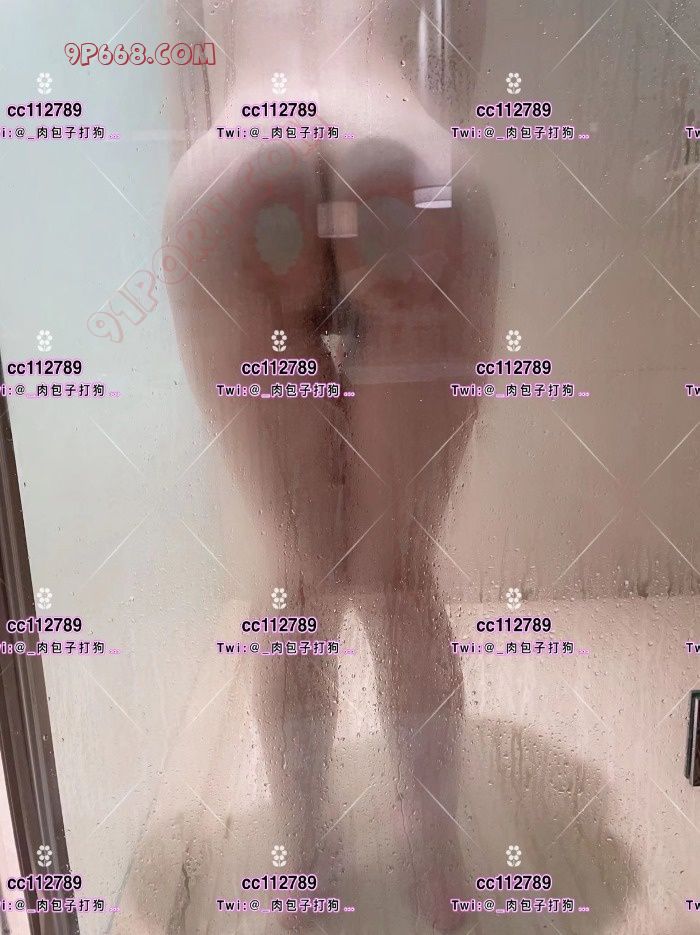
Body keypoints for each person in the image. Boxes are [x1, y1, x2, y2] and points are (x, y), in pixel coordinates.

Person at [164, 2, 496, 928]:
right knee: (399, 573)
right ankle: (437, 872)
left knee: (300, 577)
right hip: (402, 158)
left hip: (239, 162)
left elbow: (188, 63)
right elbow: (454, 46)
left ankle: (307, 863)